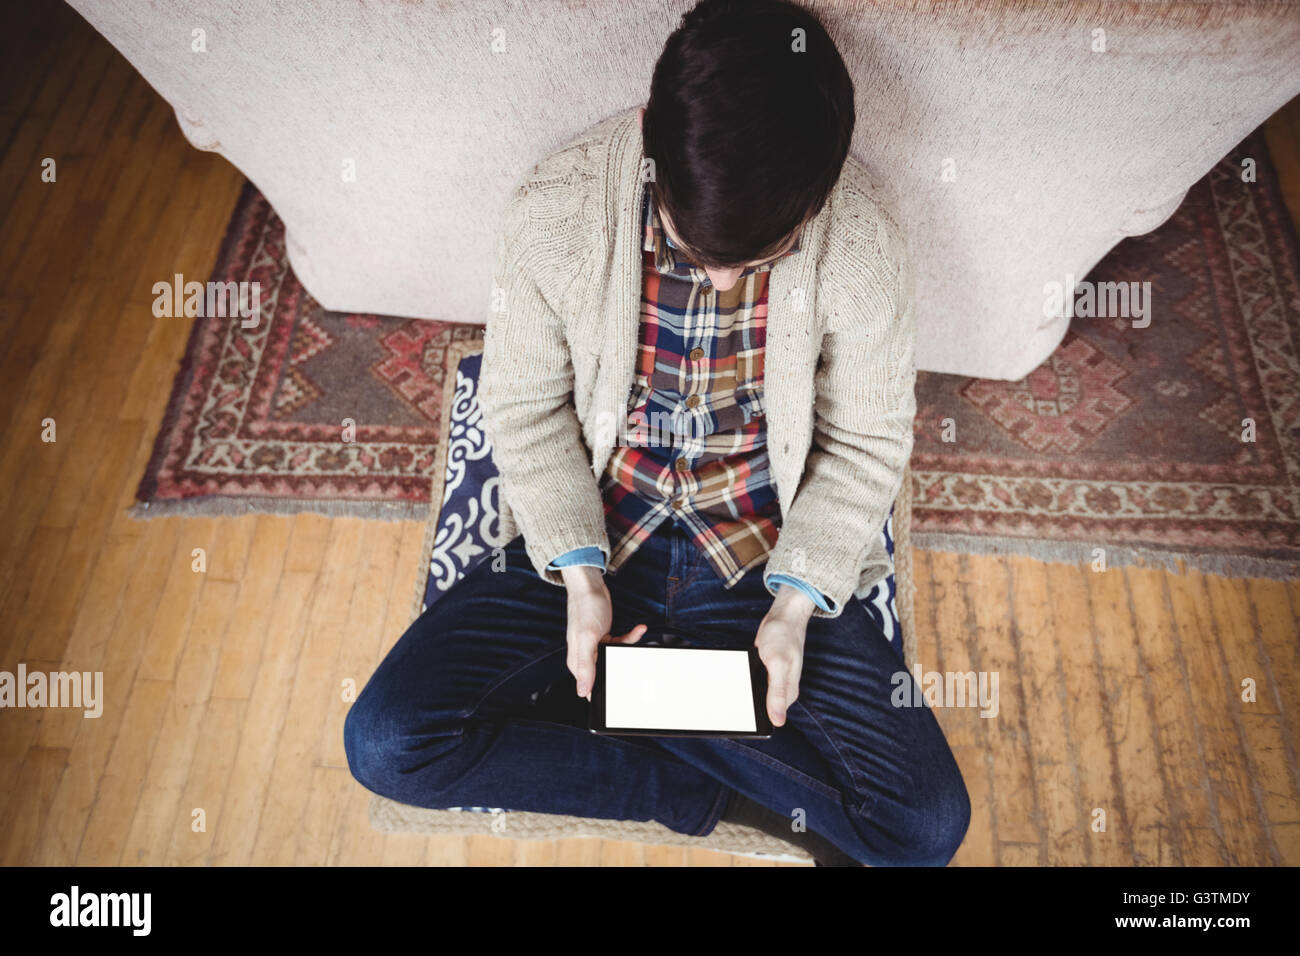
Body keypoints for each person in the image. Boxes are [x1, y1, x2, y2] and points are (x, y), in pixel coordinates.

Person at [346, 0, 969, 866]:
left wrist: (794, 605)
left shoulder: (863, 238)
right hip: (604, 540)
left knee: (926, 829)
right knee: (387, 743)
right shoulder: (553, 210)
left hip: (762, 560)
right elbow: (523, 408)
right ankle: (703, 781)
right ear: (649, 134)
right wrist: (578, 573)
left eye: (758, 260)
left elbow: (867, 445)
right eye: (694, 245)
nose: (720, 278)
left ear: (820, 189)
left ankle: (620, 710)